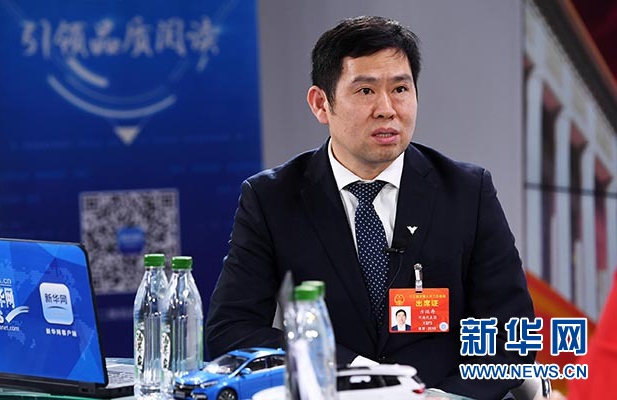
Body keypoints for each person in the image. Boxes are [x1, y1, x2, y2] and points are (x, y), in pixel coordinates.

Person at [206, 16, 535, 399]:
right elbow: (232, 329)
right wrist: (362, 378)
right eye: (365, 90)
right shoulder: (272, 198)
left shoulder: (466, 191)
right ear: (321, 104)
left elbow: (511, 333)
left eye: (400, 89)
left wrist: (439, 398)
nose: (387, 109)